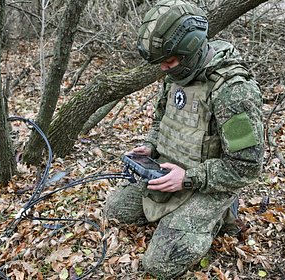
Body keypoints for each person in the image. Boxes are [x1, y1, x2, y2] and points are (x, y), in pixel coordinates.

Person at [104, 0, 264, 278]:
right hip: (169, 170)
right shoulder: (176, 74)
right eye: (162, 63)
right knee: (115, 211)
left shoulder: (233, 91)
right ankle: (181, 216)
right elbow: (161, 119)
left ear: (190, 50)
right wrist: (151, 145)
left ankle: (221, 215)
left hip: (208, 183)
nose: (165, 69)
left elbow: (246, 166)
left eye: (170, 61)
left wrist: (189, 178)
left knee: (159, 265)